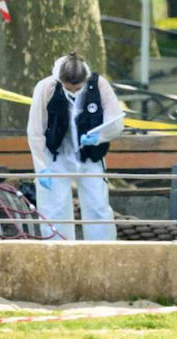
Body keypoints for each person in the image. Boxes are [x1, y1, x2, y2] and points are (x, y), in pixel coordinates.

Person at [26, 52, 125, 240]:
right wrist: (41, 167)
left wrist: (99, 136)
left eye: (77, 88)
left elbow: (116, 121)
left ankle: (102, 249)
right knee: (54, 208)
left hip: (90, 155)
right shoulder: (46, 87)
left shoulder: (99, 84)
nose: (73, 92)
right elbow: (35, 130)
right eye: (68, 88)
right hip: (56, 156)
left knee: (97, 206)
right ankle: (58, 248)